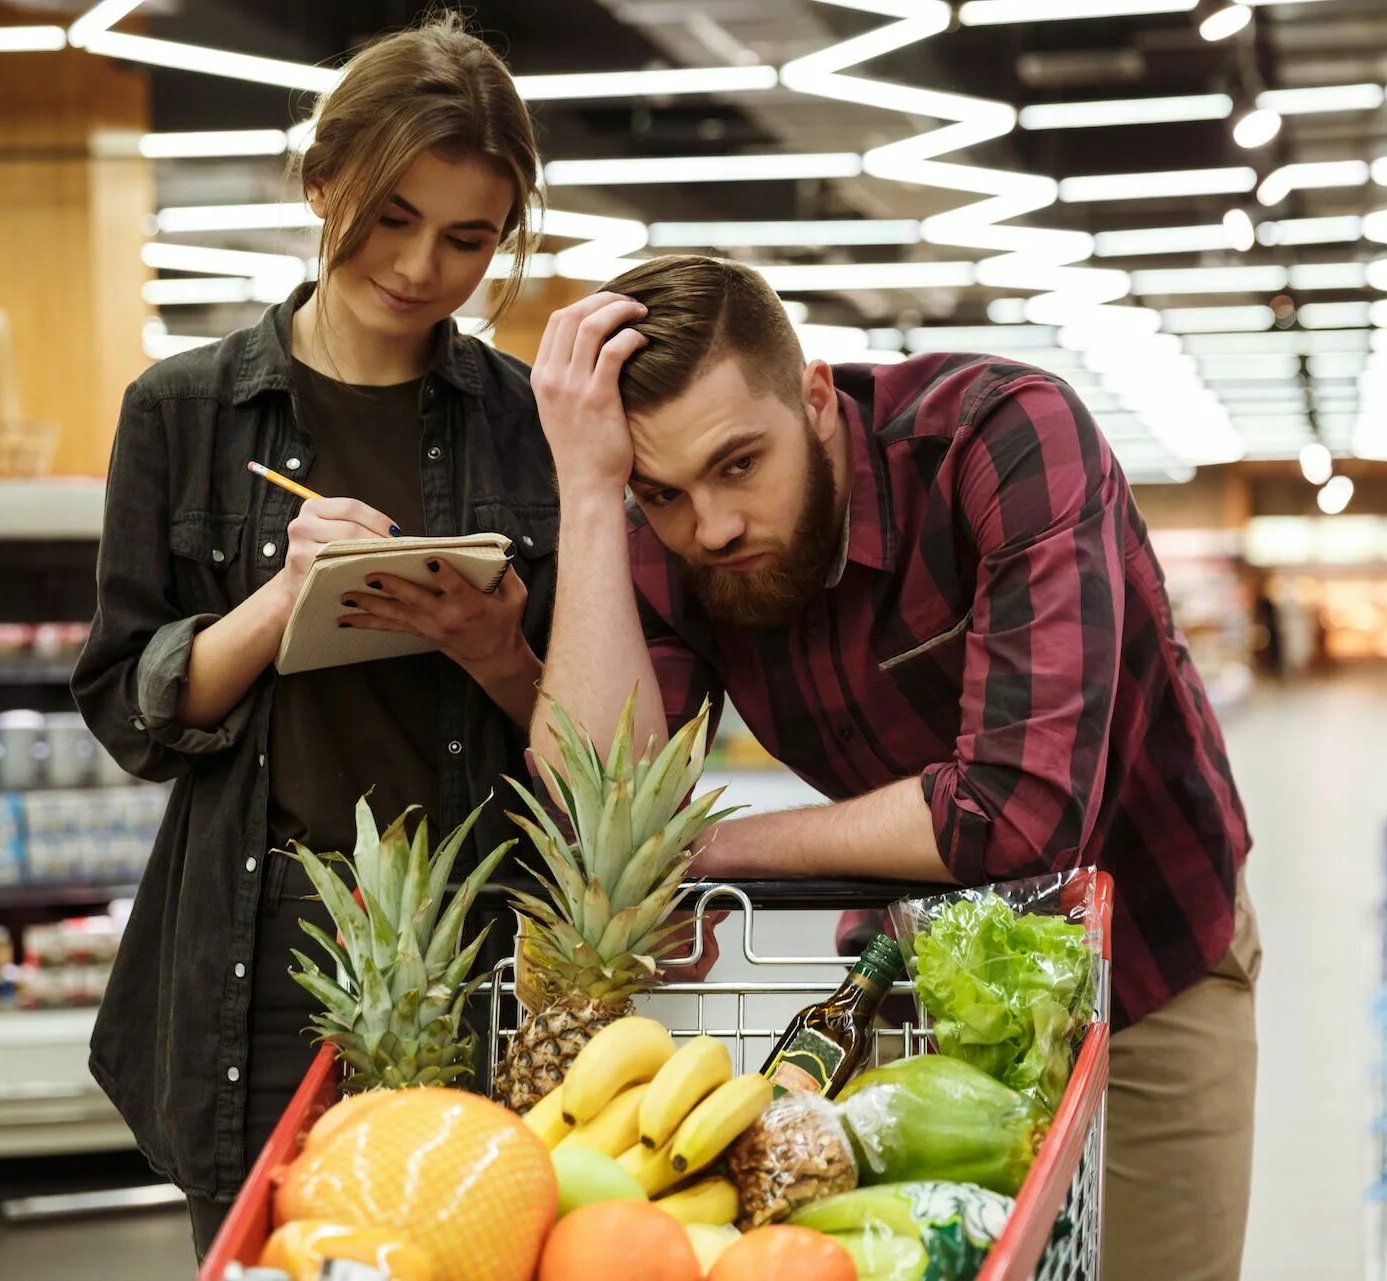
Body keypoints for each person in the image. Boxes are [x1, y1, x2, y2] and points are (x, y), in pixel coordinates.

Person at [528, 255, 1259, 1279]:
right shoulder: (668, 530)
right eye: (665, 492)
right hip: (909, 979)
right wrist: (593, 497)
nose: (713, 525)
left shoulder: (999, 438)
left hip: (1141, 964)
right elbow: (599, 814)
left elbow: (1016, 814)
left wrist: (710, 849)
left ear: (816, 397)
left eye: (741, 463)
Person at [71, 15, 550, 1257]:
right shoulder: (181, 412)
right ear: (324, 178)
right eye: (392, 215)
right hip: (259, 945)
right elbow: (130, 706)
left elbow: (596, 733)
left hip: (476, 929)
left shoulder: (527, 425)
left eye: (468, 238)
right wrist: (277, 605)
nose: (422, 266)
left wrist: (492, 648)